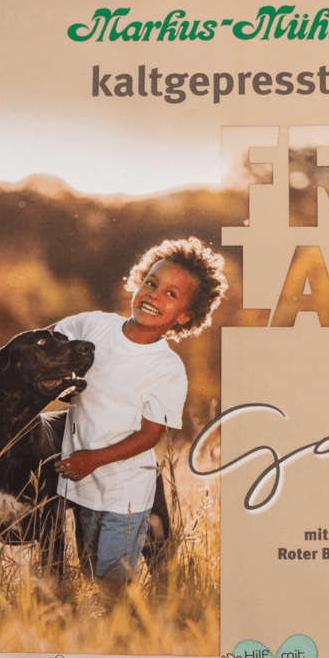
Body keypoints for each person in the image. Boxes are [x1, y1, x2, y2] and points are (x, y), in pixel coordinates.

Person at [52, 237, 227, 590]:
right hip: (84, 488)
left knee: (112, 583)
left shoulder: (167, 368)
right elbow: (44, 347)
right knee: (92, 576)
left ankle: (137, 616)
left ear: (185, 316)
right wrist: (59, 379)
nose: (154, 295)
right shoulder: (92, 325)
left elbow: (150, 436)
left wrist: (92, 459)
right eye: (151, 283)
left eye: (171, 294)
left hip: (126, 493)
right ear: (138, 282)